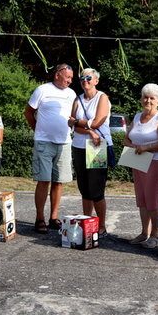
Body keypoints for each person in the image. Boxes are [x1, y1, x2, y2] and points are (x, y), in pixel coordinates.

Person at [24, 63, 76, 233]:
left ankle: (53, 218)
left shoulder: (72, 94)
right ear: (57, 75)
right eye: (67, 77)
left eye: (71, 78)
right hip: (44, 142)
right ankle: (39, 218)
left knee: (59, 182)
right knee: (43, 180)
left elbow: (74, 117)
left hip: (64, 142)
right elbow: (28, 113)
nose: (70, 80)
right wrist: (38, 130)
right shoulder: (42, 90)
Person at [123, 83, 158, 248]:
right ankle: (144, 232)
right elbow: (126, 138)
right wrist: (133, 146)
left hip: (156, 162)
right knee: (141, 199)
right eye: (145, 97)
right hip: (138, 162)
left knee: (153, 199)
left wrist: (147, 147)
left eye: (152, 98)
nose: (148, 100)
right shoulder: (137, 117)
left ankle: (156, 234)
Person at [68, 68, 112, 237]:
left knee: (96, 189)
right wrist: (88, 129)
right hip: (79, 145)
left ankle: (101, 226)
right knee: (84, 188)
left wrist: (80, 123)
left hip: (96, 147)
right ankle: (87, 221)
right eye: (82, 78)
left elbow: (97, 122)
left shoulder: (102, 97)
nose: (84, 81)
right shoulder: (77, 99)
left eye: (88, 78)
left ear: (96, 81)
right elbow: (71, 125)